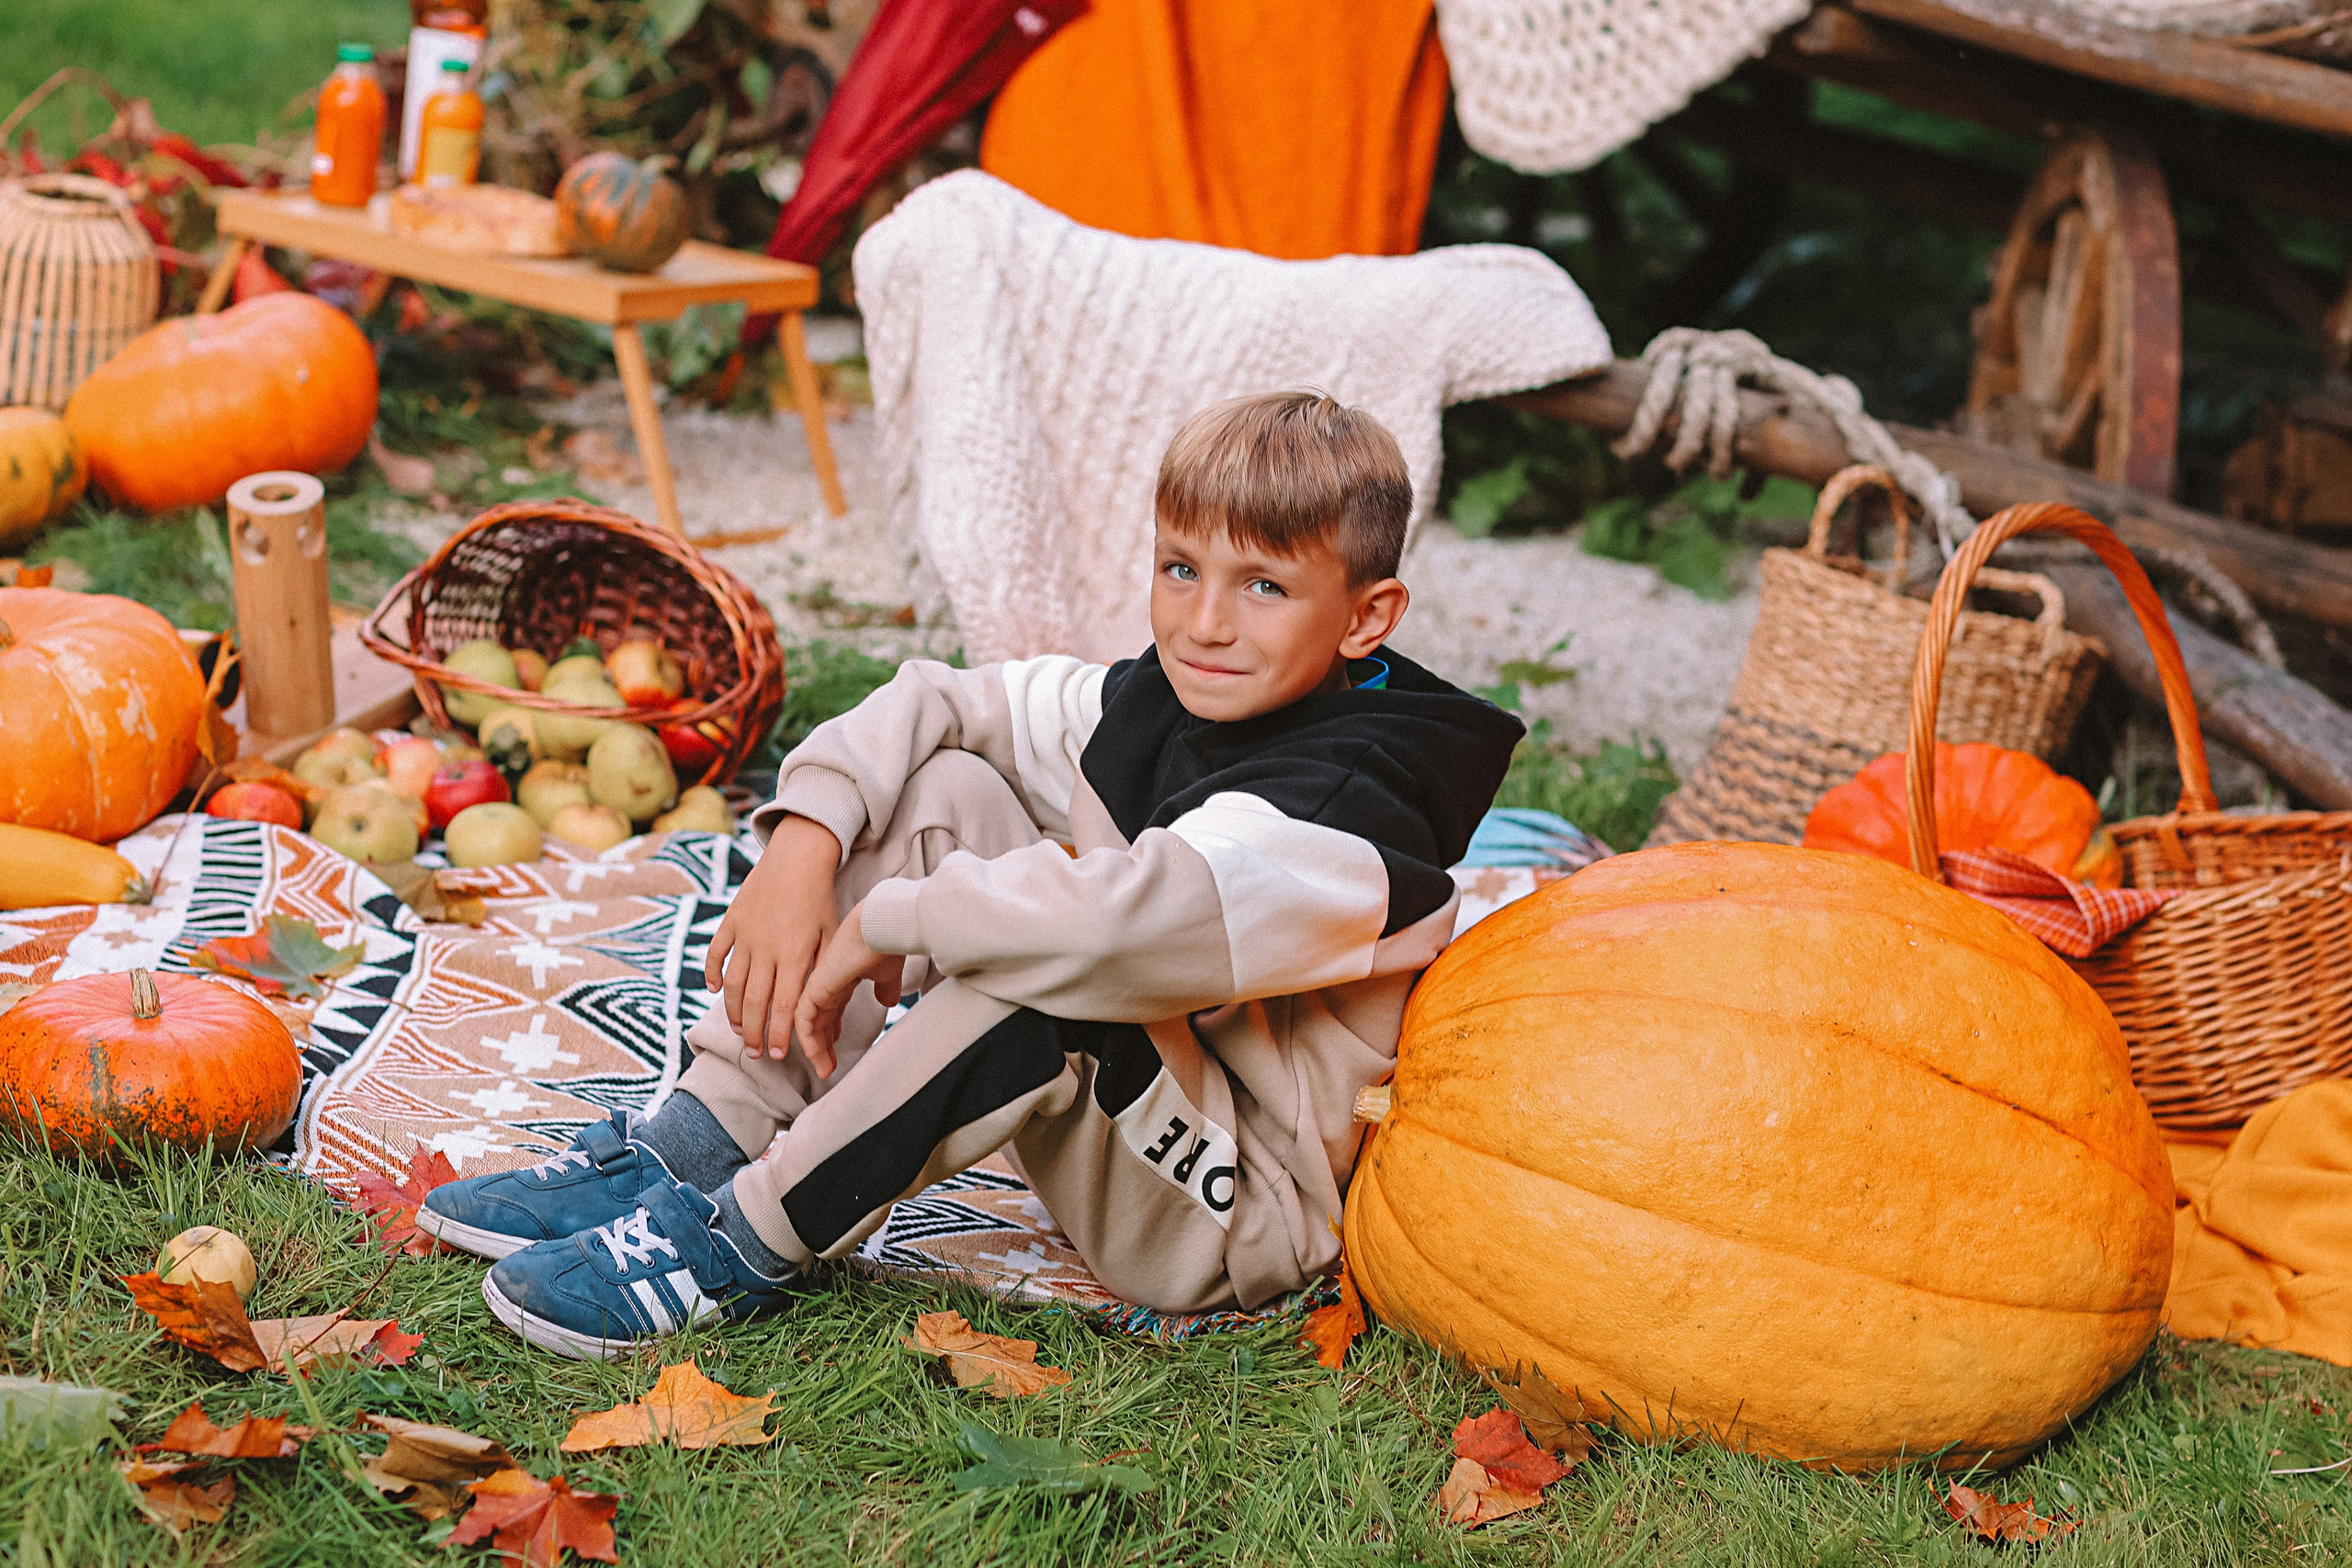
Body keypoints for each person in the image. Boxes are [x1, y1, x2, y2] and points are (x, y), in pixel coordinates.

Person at [420, 390, 1526, 1359]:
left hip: (1226, 1214)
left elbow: (1104, 932)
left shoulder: (1350, 807)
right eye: (1181, 569)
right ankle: (697, 1144)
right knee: (944, 789)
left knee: (1045, 969)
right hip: (1141, 1118)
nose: (1204, 623)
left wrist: (891, 918)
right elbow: (946, 698)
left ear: (1366, 617)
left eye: (1264, 588)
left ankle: (742, 1242)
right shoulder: (1171, 694)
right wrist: (803, 843)